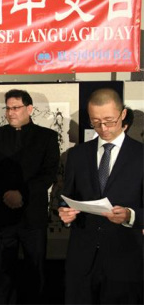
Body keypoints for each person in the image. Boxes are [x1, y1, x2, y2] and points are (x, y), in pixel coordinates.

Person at [58, 88, 143, 304]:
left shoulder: (140, 156)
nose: (103, 128)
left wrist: (129, 216)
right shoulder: (77, 155)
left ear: (123, 115)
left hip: (124, 259)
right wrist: (64, 212)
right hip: (82, 259)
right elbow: (66, 196)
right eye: (96, 122)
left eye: (109, 121)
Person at [0, 89, 59, 304]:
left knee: (35, 272)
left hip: (32, 216)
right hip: (2, 215)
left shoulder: (47, 137)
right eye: (7, 108)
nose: (11, 112)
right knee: (5, 275)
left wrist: (21, 193)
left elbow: (48, 174)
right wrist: (5, 194)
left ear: (29, 109)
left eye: (16, 107)